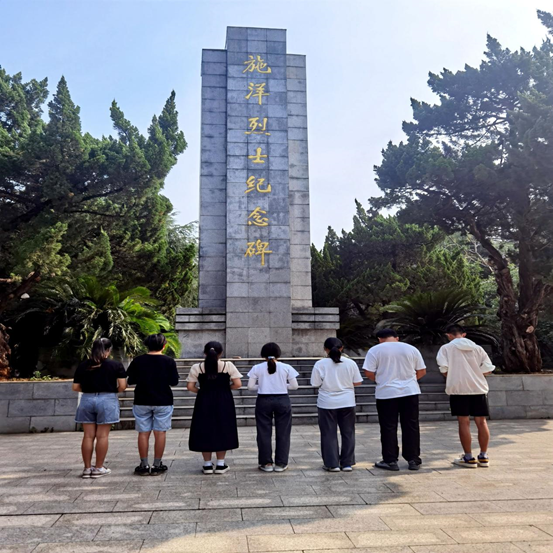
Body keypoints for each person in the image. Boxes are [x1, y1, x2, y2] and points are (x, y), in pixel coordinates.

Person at [363, 329, 426, 471]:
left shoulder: (375, 350)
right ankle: (413, 459)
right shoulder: (411, 349)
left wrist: (381, 380)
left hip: (386, 393)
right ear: (397, 337)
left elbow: (368, 372)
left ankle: (390, 460)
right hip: (410, 392)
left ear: (380, 339)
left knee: (388, 427)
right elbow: (422, 371)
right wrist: (409, 381)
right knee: (411, 425)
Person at [437, 324, 495, 468]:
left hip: (458, 389)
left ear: (449, 335)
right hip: (478, 388)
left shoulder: (446, 348)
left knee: (464, 422)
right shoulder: (477, 348)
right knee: (481, 422)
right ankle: (483, 456)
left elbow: (444, 369)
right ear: (464, 334)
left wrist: (453, 376)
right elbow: (488, 368)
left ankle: (468, 457)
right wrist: (476, 374)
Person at [126, 334, 179, 476]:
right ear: (164, 346)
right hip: (163, 400)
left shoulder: (138, 360)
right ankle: (157, 464)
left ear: (147, 345)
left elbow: (130, 380)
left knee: (143, 433)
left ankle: (144, 465)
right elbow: (174, 381)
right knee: (160, 432)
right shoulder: (169, 361)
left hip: (142, 399)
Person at [73, 338, 127, 478]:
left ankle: (87, 469)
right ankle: (98, 468)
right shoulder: (115, 365)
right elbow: (122, 386)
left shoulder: (83, 365)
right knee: (102, 435)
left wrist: (89, 389)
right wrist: (112, 390)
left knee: (88, 436)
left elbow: (75, 387)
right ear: (108, 350)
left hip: (87, 399)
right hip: (107, 399)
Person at [186, 341, 242, 474]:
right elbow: (238, 384)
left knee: (204, 428)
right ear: (221, 353)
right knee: (223, 428)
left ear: (205, 353)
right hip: (224, 400)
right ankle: (221, 464)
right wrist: (225, 389)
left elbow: (190, 386)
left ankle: (207, 464)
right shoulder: (228, 365)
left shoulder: (197, 367)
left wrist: (202, 392)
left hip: (204, 400)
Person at [310, 337, 364, 472]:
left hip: (326, 403)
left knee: (328, 433)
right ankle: (347, 463)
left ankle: (332, 463)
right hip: (347, 401)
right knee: (348, 433)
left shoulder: (320, 364)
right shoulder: (350, 363)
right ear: (342, 348)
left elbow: (315, 383)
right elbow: (358, 382)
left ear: (325, 349)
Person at [248, 342, 299, 473]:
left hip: (263, 400)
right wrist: (282, 385)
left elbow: (250, 387)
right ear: (278, 354)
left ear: (262, 354)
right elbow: (294, 386)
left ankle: (266, 463)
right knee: (283, 432)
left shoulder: (257, 368)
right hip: (282, 399)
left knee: (263, 432)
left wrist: (262, 385)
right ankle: (281, 463)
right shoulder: (286, 367)